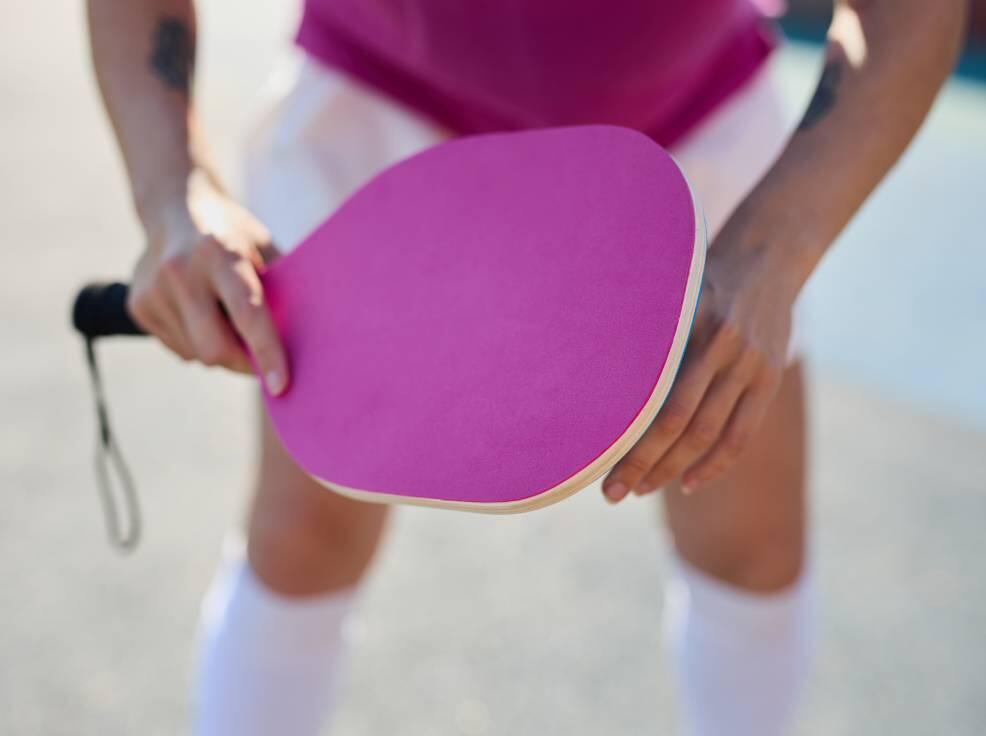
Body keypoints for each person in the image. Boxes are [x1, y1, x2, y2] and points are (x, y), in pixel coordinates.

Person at [86, 1, 965, 734]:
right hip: (379, 105)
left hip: (691, 113)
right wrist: (174, 192)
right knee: (302, 538)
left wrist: (772, 252)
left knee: (751, 542)